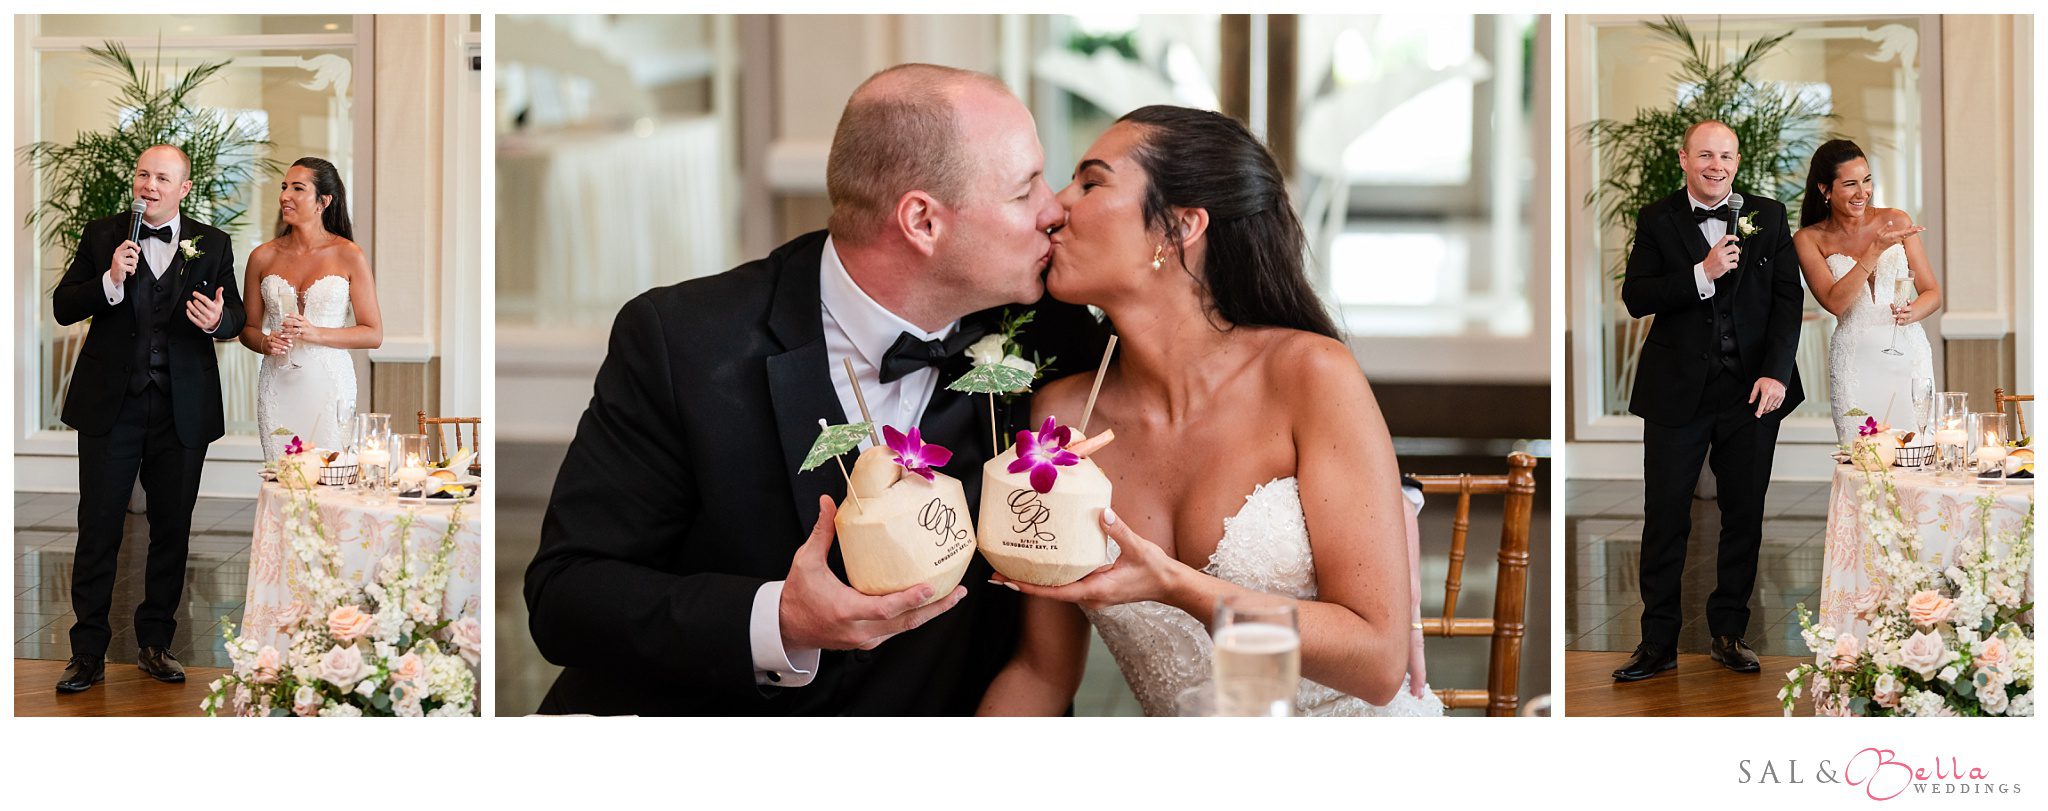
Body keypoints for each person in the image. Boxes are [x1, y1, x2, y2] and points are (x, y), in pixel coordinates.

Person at [523, 64, 1108, 715]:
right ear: (922, 221)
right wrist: (779, 620)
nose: (1053, 211)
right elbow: (567, 596)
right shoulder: (681, 342)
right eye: (1024, 190)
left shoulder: (1046, 335)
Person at [975, 105, 1441, 717]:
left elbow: (1378, 665)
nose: (1058, 207)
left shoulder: (1309, 374)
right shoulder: (1061, 419)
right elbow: (1041, 673)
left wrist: (1177, 587)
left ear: (1179, 226)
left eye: (1091, 182)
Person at [1611, 121, 1804, 683]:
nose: (1715, 165)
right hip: (1676, 392)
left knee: (1743, 514)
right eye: (1704, 155)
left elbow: (1787, 300)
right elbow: (1636, 296)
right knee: (1665, 517)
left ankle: (1728, 632)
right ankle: (1657, 642)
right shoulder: (1657, 218)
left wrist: (1775, 374)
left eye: (1725, 156)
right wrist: (1701, 272)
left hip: (1751, 393)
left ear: (1737, 161)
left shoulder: (1767, 215)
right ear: (1684, 159)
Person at [50, 144, 246, 693]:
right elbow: (65, 305)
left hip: (182, 408)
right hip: (112, 406)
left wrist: (217, 321)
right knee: (99, 529)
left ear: (184, 188)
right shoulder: (102, 234)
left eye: (163, 177)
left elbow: (236, 315)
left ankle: (155, 643)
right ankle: (87, 651)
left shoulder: (212, 242)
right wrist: (110, 279)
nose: (149, 185)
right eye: (143, 175)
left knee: (172, 531)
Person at [1790, 139, 1938, 445]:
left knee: (1918, 454)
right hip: (1855, 363)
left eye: (1867, 180)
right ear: (1825, 189)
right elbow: (1835, 303)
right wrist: (1873, 251)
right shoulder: (1809, 239)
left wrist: (1914, 312)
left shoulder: (1897, 219)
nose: (1863, 193)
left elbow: (1932, 292)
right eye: (1850, 184)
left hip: (1909, 356)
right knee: (1862, 461)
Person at [240, 157, 382, 462]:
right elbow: (247, 329)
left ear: (323, 201)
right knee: (283, 478)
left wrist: (316, 333)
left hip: (330, 385)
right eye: (284, 187)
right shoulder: (262, 257)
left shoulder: (348, 255)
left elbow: (373, 333)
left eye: (297, 188)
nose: (284, 196)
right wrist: (265, 342)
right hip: (278, 383)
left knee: (329, 478)